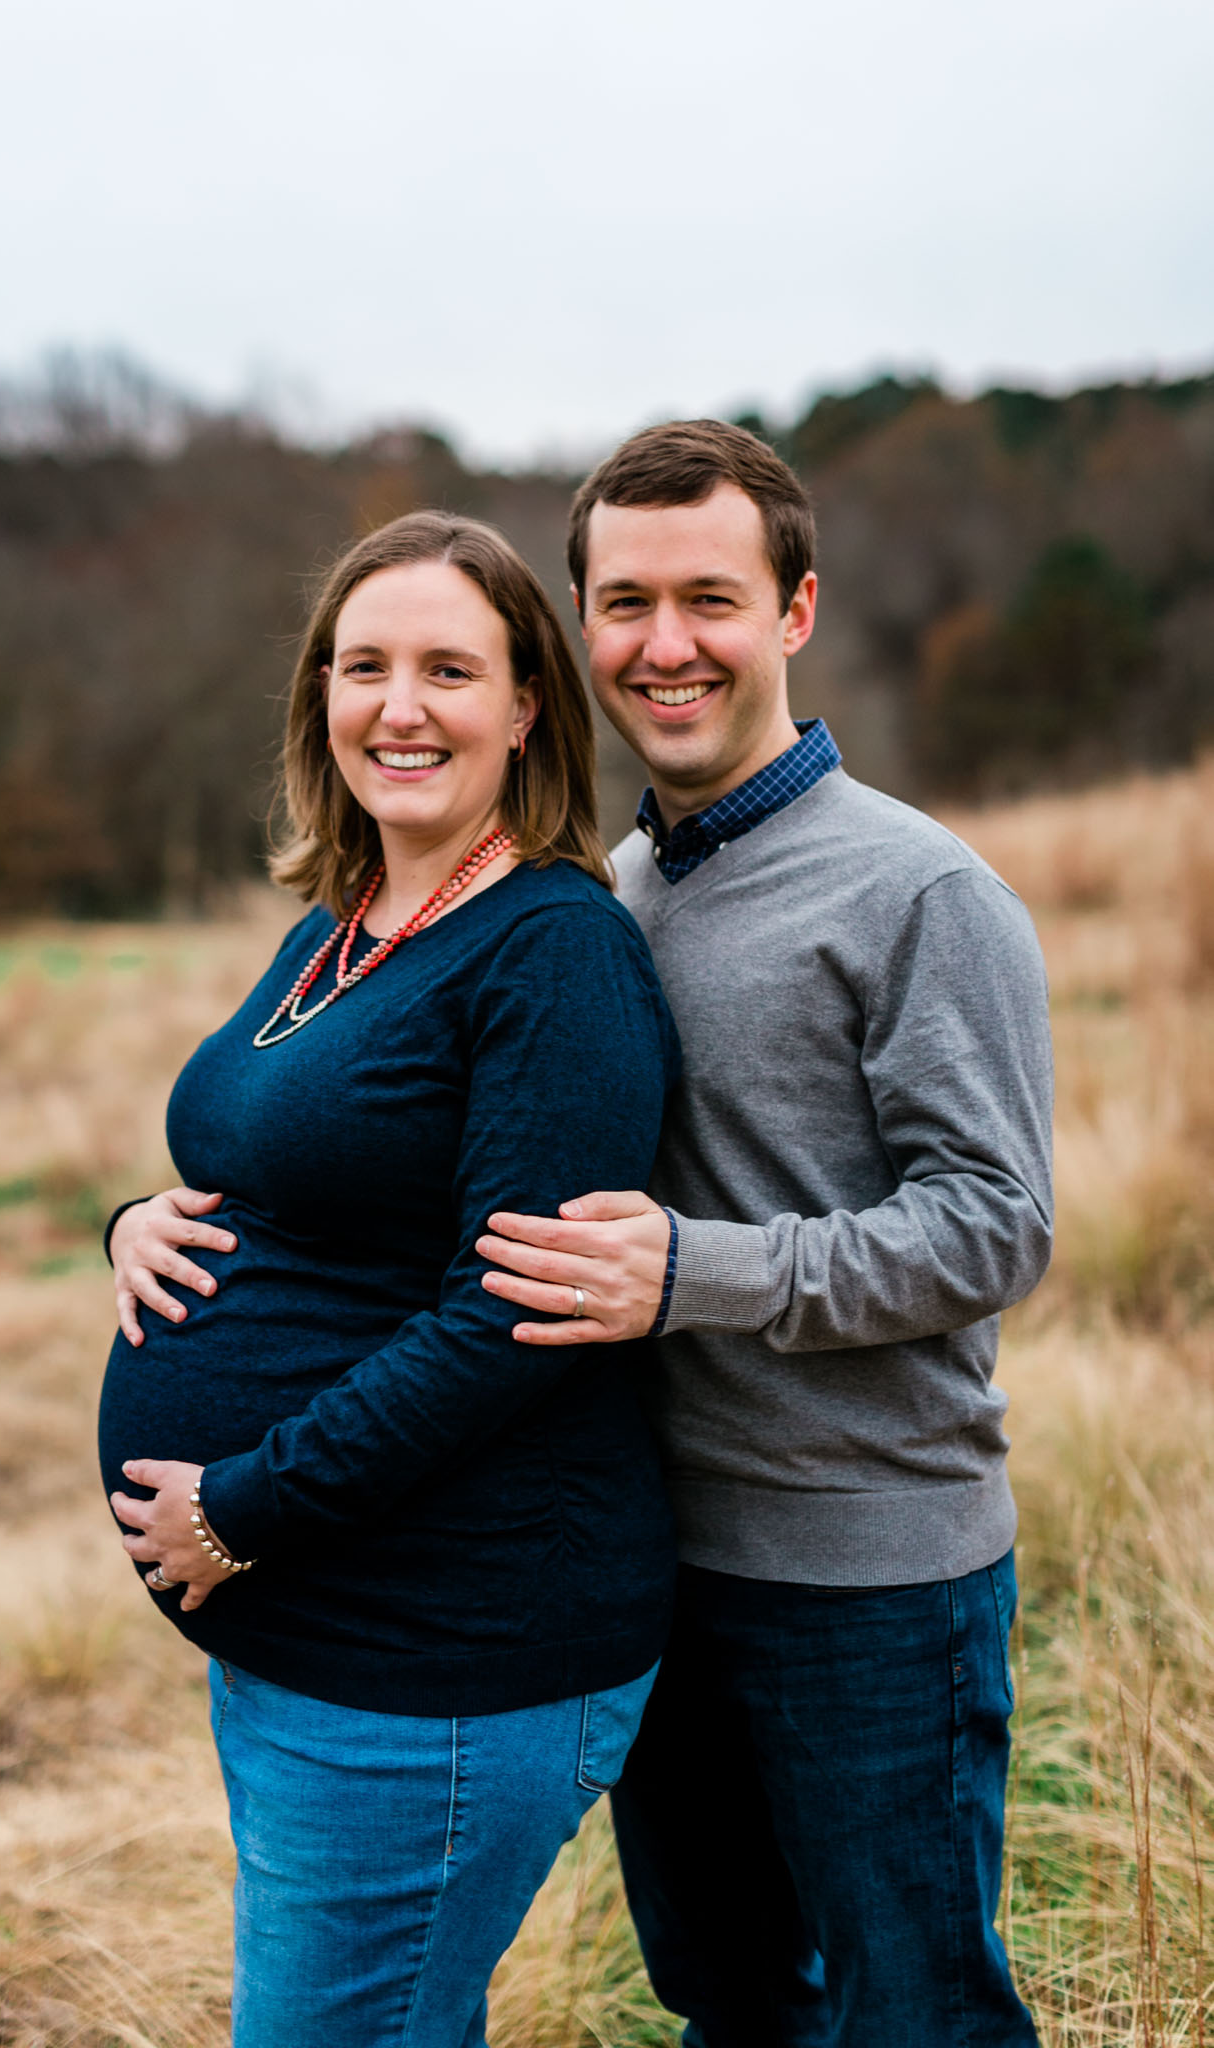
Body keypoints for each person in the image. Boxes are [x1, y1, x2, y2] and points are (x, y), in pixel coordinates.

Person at [475, 420, 1054, 2045]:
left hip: (870, 1580)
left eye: (709, 599)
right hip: (657, 1569)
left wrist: (688, 1270)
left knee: (915, 2011)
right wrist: (159, 1209)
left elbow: (995, 1228)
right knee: (729, 1999)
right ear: (579, 626)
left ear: (793, 613)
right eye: (624, 603)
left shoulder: (918, 893)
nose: (665, 646)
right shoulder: (610, 894)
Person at [97, 511, 679, 2048]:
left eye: (447, 668)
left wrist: (244, 1509)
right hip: (317, 1647)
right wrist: (126, 1225)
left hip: (443, 1656)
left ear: (524, 708)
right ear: (320, 696)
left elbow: (513, 1318)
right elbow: (265, 1155)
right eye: (364, 665)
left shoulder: (550, 952)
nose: (398, 706)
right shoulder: (345, 920)